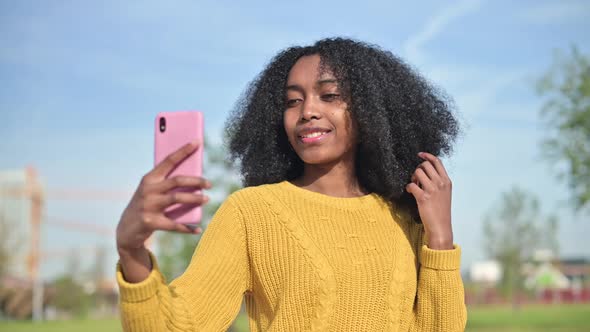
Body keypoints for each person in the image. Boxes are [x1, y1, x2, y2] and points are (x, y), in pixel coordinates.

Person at [115, 37, 467, 331]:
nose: (307, 111)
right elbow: (181, 325)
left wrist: (440, 238)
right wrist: (132, 254)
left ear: (371, 111)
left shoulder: (405, 216)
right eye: (292, 101)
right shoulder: (251, 213)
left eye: (329, 96)